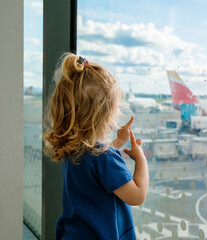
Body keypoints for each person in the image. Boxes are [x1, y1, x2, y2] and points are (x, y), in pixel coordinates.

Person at [43, 53, 149, 240]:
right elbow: (137, 195)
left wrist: (117, 144)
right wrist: (140, 157)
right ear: (104, 113)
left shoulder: (72, 148)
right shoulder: (104, 158)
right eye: (116, 108)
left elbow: (95, 166)